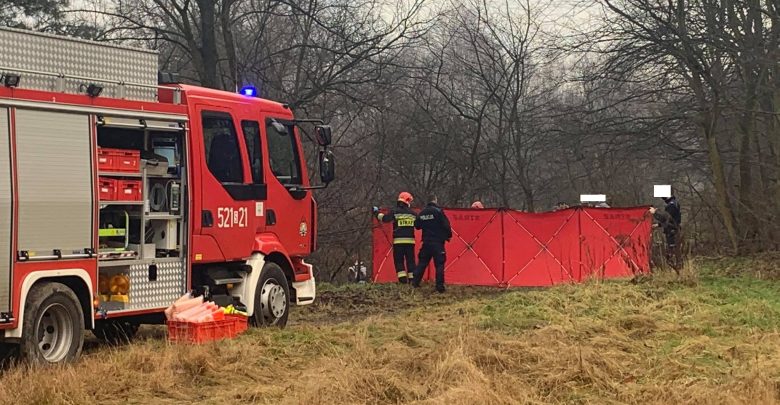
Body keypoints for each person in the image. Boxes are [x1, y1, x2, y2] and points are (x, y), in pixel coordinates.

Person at [373, 192, 417, 284]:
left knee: (399, 261)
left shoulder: (395, 212)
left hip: (398, 242)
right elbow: (418, 225)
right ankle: (412, 280)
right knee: (410, 261)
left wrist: (376, 212)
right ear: (407, 201)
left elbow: (384, 218)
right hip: (410, 242)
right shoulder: (413, 214)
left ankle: (402, 280)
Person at [411, 196, 452, 293]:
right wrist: (448, 235)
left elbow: (417, 226)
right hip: (437, 242)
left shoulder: (422, 212)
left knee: (422, 262)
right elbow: (446, 225)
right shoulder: (438, 211)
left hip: (426, 242)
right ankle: (439, 286)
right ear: (435, 200)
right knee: (439, 264)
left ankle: (415, 283)